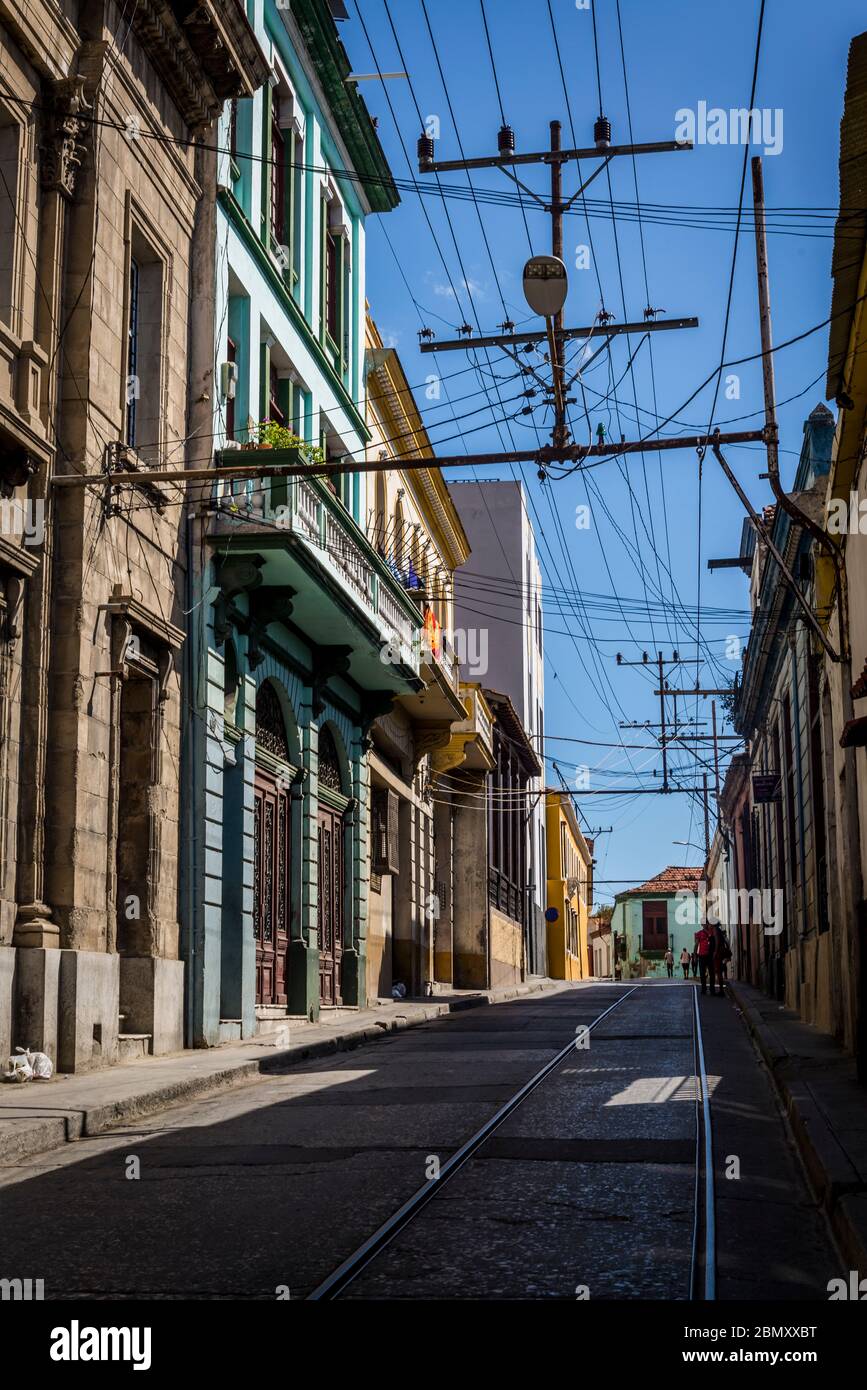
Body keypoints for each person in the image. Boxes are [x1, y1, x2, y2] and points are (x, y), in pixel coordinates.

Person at [695, 923, 717, 995]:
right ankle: (704, 989)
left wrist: (715, 952)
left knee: (711, 973)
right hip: (702, 956)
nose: (705, 925)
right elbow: (696, 944)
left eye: (706, 924)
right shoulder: (699, 933)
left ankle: (712, 989)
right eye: (704, 924)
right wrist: (695, 954)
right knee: (702, 974)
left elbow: (716, 942)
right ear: (702, 925)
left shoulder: (713, 932)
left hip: (710, 955)